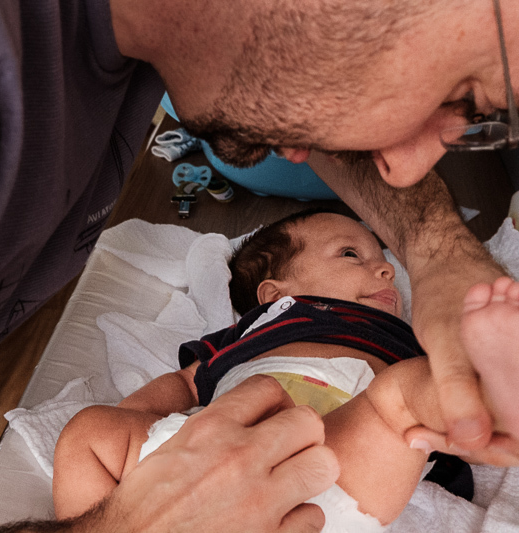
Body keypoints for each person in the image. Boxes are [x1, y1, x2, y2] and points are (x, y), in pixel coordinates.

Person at [0, 0, 517, 531]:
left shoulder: (150, 27)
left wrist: (438, 253)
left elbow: (310, 75)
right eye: (463, 93)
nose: (413, 167)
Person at [52, 210, 484, 530]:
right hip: (196, 460)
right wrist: (139, 423)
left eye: (382, 262)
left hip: (331, 471)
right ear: (275, 294)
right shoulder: (261, 325)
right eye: (351, 253)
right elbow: (187, 381)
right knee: (87, 433)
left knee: (408, 396)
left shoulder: (407, 337)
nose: (386, 269)